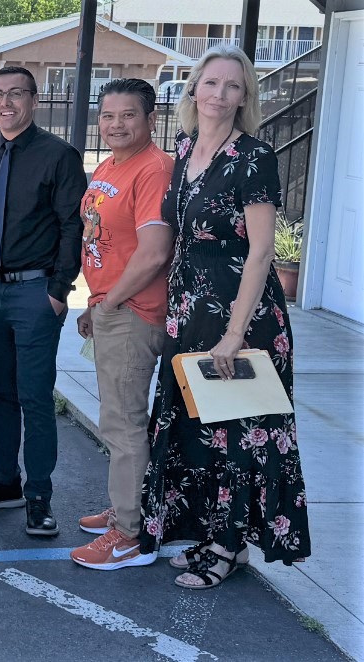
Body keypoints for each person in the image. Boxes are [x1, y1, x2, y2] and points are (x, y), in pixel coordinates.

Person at [140, 45, 311, 588]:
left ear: (244, 97)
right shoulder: (186, 148)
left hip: (243, 317)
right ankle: (215, 535)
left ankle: (229, 546)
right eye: (210, 83)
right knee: (198, 428)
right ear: (194, 89)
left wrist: (235, 334)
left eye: (232, 86)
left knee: (239, 433)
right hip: (189, 312)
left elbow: (261, 250)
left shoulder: (255, 156)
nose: (219, 94)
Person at [0, 66, 87, 537]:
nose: (6, 102)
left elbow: (73, 226)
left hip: (36, 294)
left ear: (34, 100)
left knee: (34, 397)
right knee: (0, 392)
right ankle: (5, 483)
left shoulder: (60, 156)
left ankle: (39, 496)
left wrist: (58, 291)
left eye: (16, 94)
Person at [67, 79, 173, 570]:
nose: (115, 124)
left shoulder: (154, 169)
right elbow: (108, 242)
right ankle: (128, 507)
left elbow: (153, 253)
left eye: (128, 115)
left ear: (150, 118)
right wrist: (96, 302)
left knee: (123, 424)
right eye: (108, 115)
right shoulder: (110, 165)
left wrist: (111, 305)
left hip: (134, 313)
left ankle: (129, 535)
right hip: (113, 307)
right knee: (120, 418)